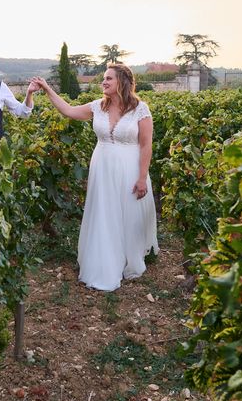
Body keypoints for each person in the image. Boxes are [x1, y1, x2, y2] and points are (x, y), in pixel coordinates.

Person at [31, 64, 159, 291]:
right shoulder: (97, 107)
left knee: (128, 214)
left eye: (109, 78)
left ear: (122, 82)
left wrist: (142, 177)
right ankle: (104, 260)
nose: (104, 82)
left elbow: (146, 144)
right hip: (102, 168)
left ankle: (129, 259)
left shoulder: (140, 109)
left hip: (130, 168)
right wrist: (47, 89)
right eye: (104, 79)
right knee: (104, 213)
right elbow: (68, 110)